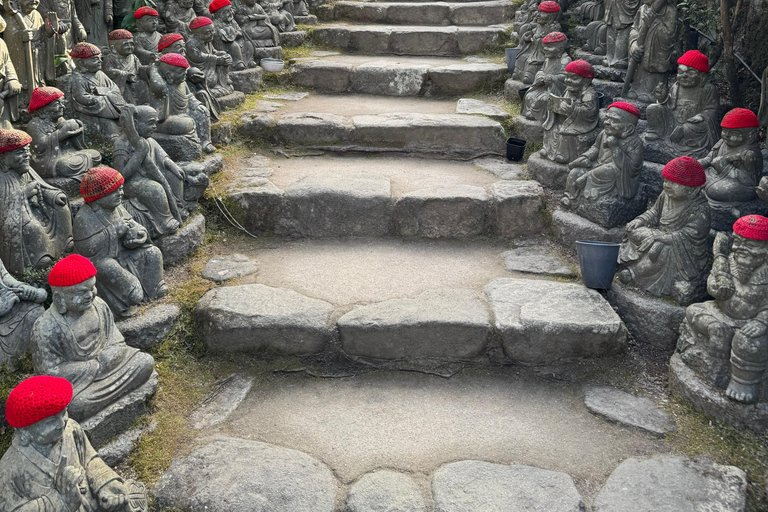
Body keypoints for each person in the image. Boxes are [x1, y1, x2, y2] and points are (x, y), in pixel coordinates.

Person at [31, 254, 157, 420]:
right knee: (77, 405)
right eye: (82, 292)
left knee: (145, 362)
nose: (90, 295)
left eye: (92, 288)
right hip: (82, 383)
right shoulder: (45, 327)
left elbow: (116, 339)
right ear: (59, 298)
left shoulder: (99, 306)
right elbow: (49, 373)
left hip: (111, 368)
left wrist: (112, 355)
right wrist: (95, 366)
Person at [0, 375, 149, 512]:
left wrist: (105, 484)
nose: (61, 423)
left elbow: (90, 460)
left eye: (64, 412)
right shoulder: (10, 469)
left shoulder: (71, 429)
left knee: (127, 503)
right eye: (51, 421)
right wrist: (61, 500)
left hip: (91, 502)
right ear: (24, 431)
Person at [678, 215, 768, 404]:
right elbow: (712, 282)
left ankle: (742, 381)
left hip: (751, 323)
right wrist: (716, 288)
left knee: (749, 343)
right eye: (738, 242)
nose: (742, 249)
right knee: (693, 310)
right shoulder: (727, 262)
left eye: (751, 245)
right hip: (720, 312)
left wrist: (762, 321)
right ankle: (716, 329)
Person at [73, 167, 168, 317]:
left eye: (121, 189)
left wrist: (139, 235)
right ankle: (128, 298)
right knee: (123, 283)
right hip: (103, 261)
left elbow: (133, 225)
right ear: (98, 197)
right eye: (114, 191)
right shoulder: (84, 218)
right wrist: (114, 231)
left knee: (153, 253)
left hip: (126, 252)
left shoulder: (117, 207)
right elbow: (87, 249)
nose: (120, 194)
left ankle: (154, 287)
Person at [618, 156, 711, 305]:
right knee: (633, 232)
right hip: (660, 234)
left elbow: (691, 234)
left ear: (692, 189)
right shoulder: (666, 195)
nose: (667, 185)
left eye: (673, 183)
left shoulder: (699, 208)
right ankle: (627, 261)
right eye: (666, 180)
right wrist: (639, 221)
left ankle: (634, 272)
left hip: (681, 248)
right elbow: (654, 213)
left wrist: (661, 237)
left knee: (660, 251)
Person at [0, 128, 73, 275]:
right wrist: (23, 194)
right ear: (4, 158)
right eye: (19, 152)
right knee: (31, 227)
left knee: (61, 207)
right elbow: (4, 210)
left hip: (36, 209)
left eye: (27, 150)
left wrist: (52, 195)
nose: (27, 155)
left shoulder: (26, 170)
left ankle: (65, 243)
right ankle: (40, 259)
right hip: (17, 218)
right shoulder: (3, 179)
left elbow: (41, 185)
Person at [561, 101, 643, 221]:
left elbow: (632, 168)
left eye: (614, 121)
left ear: (628, 128)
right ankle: (570, 197)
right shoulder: (604, 133)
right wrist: (586, 157)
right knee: (575, 172)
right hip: (597, 165)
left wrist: (615, 147)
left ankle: (588, 187)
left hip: (619, 175)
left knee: (607, 170)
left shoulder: (635, 142)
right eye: (607, 118)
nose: (608, 123)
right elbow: (595, 148)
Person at [644, 50, 720, 160]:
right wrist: (662, 98)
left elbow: (713, 110)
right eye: (680, 72)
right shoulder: (676, 86)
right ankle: (656, 132)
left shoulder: (708, 89)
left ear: (702, 75)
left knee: (695, 127)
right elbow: (670, 106)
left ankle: (685, 138)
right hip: (673, 121)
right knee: (653, 108)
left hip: (692, 124)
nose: (684, 76)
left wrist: (701, 116)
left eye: (690, 72)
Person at [26, 86, 101, 193]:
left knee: (96, 155)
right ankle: (82, 165)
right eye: (57, 104)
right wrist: (61, 133)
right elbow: (40, 146)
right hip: (48, 162)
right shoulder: (34, 124)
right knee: (64, 166)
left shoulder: (60, 119)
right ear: (42, 109)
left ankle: (82, 163)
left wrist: (75, 127)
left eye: (62, 103)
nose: (62, 107)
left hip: (67, 154)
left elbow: (71, 140)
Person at [540, 59, 600, 164]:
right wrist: (554, 105)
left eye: (574, 78)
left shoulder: (589, 94)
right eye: (566, 76)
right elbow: (562, 101)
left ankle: (563, 154)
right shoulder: (568, 90)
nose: (568, 80)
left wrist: (573, 109)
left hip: (579, 123)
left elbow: (590, 111)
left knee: (566, 132)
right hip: (566, 119)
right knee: (551, 126)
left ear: (586, 80)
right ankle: (548, 149)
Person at [69, 42, 127, 143]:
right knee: (108, 124)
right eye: (95, 59)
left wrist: (103, 93)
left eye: (100, 58)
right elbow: (81, 98)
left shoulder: (100, 74)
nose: (100, 61)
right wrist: (101, 99)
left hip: (109, 107)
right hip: (93, 113)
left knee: (126, 116)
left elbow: (114, 89)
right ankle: (113, 138)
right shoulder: (77, 79)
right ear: (81, 63)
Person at [0, 257, 46, 366]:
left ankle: (28, 360)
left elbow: (6, 279)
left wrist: (25, 289)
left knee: (35, 312)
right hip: (3, 307)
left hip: (7, 307)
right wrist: (2, 307)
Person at [521, 31, 571, 123]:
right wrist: (540, 75)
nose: (545, 49)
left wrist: (552, 78)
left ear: (559, 49)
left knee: (544, 99)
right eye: (545, 46)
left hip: (554, 89)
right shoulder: (547, 59)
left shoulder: (565, 60)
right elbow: (541, 70)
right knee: (529, 95)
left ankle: (543, 115)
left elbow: (566, 77)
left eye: (549, 47)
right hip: (543, 86)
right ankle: (531, 111)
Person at [186, 16, 234, 97]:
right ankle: (208, 89)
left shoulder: (208, 41)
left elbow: (213, 51)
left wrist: (223, 55)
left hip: (211, 68)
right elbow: (198, 56)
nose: (213, 34)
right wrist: (216, 59)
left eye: (213, 31)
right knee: (207, 79)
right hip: (202, 70)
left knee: (222, 54)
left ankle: (224, 80)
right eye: (208, 33)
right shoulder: (191, 44)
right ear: (197, 35)